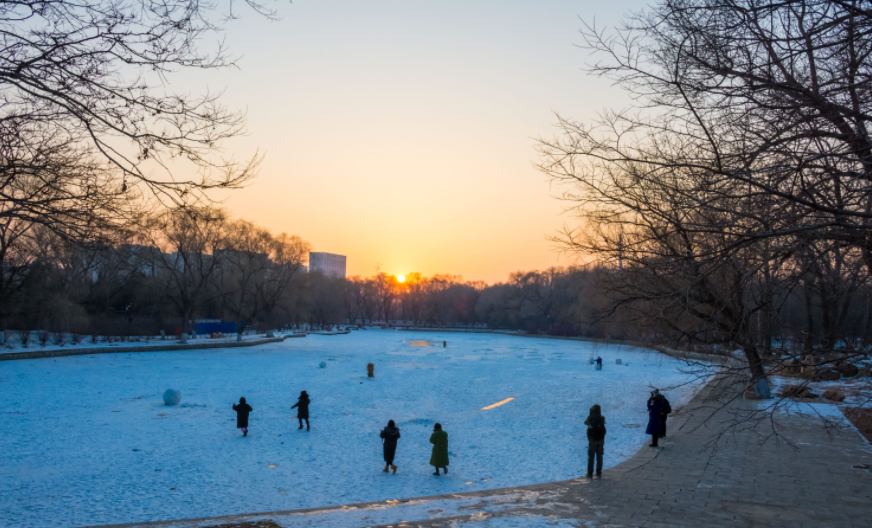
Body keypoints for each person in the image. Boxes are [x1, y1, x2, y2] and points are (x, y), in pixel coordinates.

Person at [584, 404, 607, 478]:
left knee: (591, 457)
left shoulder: (590, 418)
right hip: (601, 440)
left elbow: (585, 423)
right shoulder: (602, 418)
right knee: (600, 457)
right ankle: (599, 473)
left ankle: (590, 473)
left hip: (592, 440)